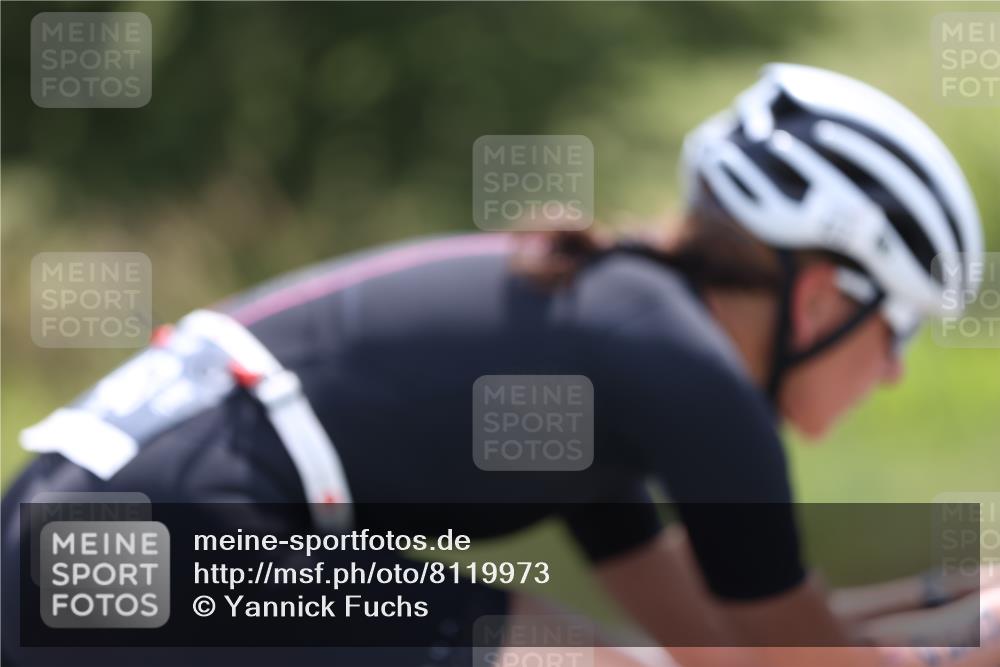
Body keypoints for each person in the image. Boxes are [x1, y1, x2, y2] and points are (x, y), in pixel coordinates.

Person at [1, 64, 994, 667]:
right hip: (181, 528)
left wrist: (935, 604)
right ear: (820, 296)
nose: (898, 373)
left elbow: (709, 641)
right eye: (897, 331)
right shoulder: (686, 371)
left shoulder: (615, 337)